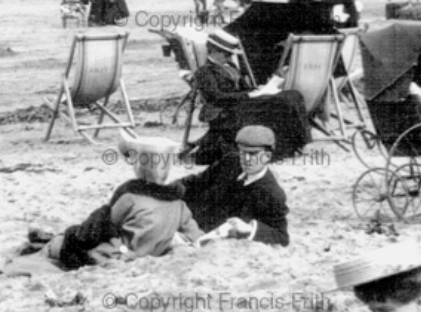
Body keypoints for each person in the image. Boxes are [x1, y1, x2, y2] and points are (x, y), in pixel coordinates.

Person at [29, 136, 203, 270]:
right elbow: (195, 236)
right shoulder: (179, 204)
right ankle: (48, 238)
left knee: (61, 245)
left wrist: (72, 235)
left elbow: (98, 227)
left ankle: (48, 241)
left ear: (138, 166)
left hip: (119, 257)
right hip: (151, 253)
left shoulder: (130, 198)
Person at [189, 29, 311, 166]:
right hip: (226, 109)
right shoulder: (204, 72)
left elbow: (244, 88)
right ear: (214, 51)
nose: (229, 57)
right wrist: (247, 95)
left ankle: (303, 142)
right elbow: (216, 97)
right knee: (282, 101)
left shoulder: (231, 66)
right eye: (227, 54)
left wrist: (258, 89)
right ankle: (299, 144)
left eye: (230, 54)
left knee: (293, 95)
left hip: (244, 103)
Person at [179, 125, 290, 247]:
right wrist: (169, 189)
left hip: (206, 241)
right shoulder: (231, 161)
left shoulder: (272, 193)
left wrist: (249, 228)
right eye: (243, 153)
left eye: (253, 154)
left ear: (267, 156)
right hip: (186, 219)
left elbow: (282, 236)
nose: (246, 159)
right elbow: (196, 182)